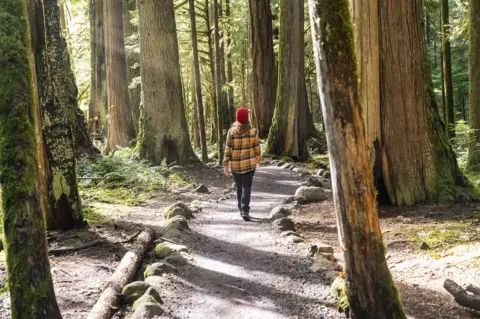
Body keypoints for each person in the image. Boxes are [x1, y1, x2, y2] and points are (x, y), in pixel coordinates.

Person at [223, 107, 262, 221]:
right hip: (250, 165)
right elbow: (257, 148)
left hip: (235, 166)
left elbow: (227, 149)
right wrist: (258, 160)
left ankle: (241, 208)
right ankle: (245, 210)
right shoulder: (253, 131)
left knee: (239, 187)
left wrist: (226, 165)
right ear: (247, 118)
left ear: (237, 119)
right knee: (247, 187)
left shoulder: (231, 132)